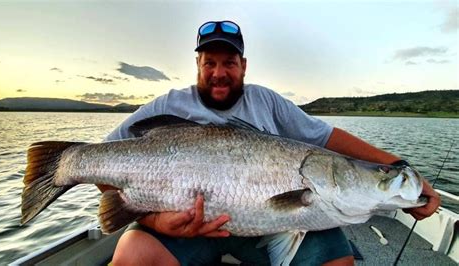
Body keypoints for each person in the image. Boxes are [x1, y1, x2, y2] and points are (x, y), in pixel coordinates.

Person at [100, 20, 440, 266]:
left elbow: (328, 137)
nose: (219, 73)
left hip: (275, 225)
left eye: (229, 63)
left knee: (339, 262)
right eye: (210, 63)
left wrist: (397, 167)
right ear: (198, 66)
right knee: (131, 257)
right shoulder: (167, 105)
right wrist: (155, 222)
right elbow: (99, 161)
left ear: (243, 66)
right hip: (185, 230)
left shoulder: (267, 101)